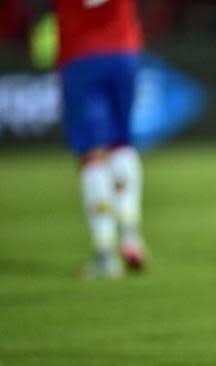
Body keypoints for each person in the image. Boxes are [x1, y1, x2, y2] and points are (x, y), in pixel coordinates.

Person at [55, 0, 146, 279]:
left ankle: (105, 253)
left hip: (80, 54)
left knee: (92, 153)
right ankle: (131, 235)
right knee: (122, 142)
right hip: (123, 50)